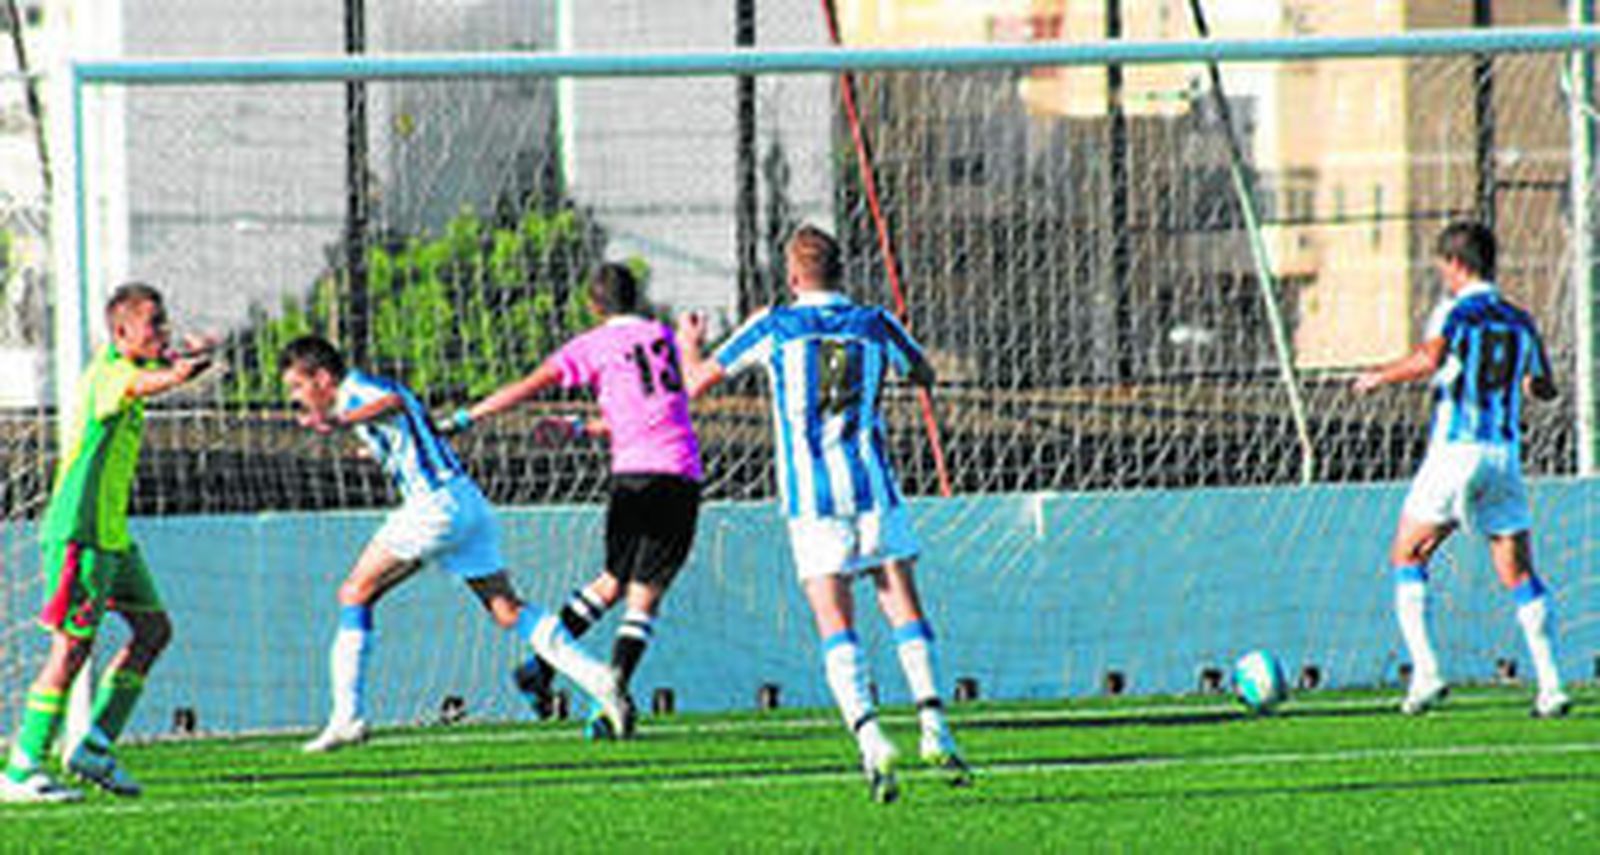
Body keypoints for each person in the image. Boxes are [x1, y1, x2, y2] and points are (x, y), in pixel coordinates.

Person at [676, 224, 970, 804]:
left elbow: (695, 383)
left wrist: (690, 343)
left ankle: (871, 738)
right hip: (873, 490)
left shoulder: (774, 325)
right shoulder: (875, 323)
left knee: (837, 623)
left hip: (814, 503)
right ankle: (934, 725)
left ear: (792, 276)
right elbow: (925, 373)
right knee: (902, 603)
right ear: (841, 271)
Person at [278, 335, 626, 753]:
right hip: (465, 502)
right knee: (507, 610)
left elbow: (394, 403)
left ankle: (346, 718)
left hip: (433, 507)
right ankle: (598, 679)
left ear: (322, 378)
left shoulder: (358, 391)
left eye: (298, 386)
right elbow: (411, 424)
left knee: (355, 592)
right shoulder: (364, 392)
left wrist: (341, 420)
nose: (296, 398)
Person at [448, 263, 702, 738]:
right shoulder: (662, 336)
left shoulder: (592, 345)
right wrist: (690, 344)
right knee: (644, 595)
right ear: (638, 297)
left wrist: (468, 416)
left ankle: (539, 670)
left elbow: (529, 385)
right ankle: (610, 699)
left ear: (593, 305)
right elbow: (675, 400)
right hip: (678, 472)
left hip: (631, 476)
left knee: (613, 581)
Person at [2, 283, 214, 803]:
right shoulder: (110, 375)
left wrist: (185, 355)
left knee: (153, 631)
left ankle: (94, 747)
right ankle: (22, 768)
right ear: (121, 332)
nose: (162, 331)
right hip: (80, 536)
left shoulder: (129, 365)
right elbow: (148, 383)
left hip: (112, 538)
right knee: (71, 648)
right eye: (153, 323)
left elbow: (158, 369)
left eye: (163, 321)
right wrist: (181, 372)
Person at [1353, 221, 1569, 718]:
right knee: (1518, 573)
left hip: (1456, 452)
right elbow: (1543, 386)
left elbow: (1431, 358)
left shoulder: (1454, 312)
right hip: (1503, 457)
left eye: (1443, 267)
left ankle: (1427, 673)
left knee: (1408, 553)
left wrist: (1379, 376)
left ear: (1455, 264)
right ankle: (1552, 685)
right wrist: (1522, 384)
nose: (1442, 275)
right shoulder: (1520, 320)